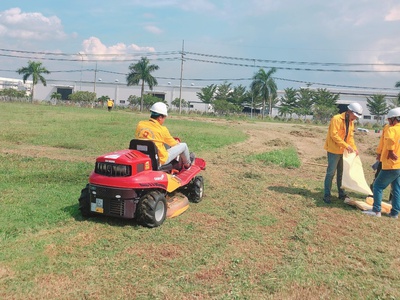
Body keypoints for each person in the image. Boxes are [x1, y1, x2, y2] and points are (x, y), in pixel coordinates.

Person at [363, 107, 400, 218]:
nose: (388, 121)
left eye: (389, 119)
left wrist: (390, 151)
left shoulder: (392, 129)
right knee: (396, 188)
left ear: (394, 119)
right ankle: (395, 213)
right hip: (398, 165)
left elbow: (389, 141)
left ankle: (376, 210)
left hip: (390, 164)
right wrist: (379, 153)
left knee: (378, 186)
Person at [323, 102, 363, 204]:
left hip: (343, 151)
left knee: (341, 173)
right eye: (354, 115)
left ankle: (341, 193)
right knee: (331, 173)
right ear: (349, 112)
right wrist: (346, 145)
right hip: (333, 150)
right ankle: (327, 195)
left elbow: (350, 137)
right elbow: (334, 135)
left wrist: (354, 148)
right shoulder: (336, 119)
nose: (355, 118)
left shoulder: (351, 122)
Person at [135, 102, 193, 169]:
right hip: (160, 160)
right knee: (184, 146)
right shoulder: (162, 129)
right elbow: (174, 144)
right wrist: (176, 142)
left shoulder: (140, 124)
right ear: (160, 117)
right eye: (164, 118)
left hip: (143, 158)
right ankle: (187, 164)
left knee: (163, 144)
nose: (164, 120)